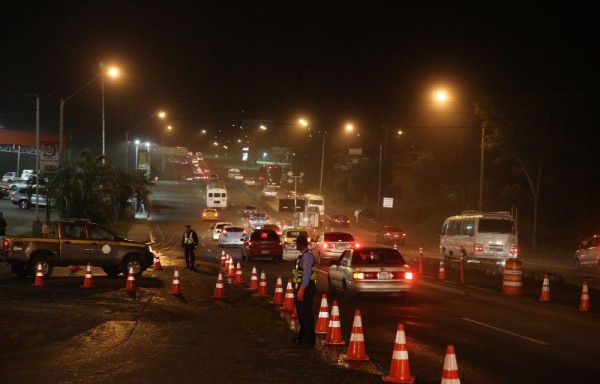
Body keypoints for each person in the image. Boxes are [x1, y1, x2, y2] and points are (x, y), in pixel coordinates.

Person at [291, 234, 317, 347]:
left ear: (299, 244)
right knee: (301, 314)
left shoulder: (307, 256)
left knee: (306, 314)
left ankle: (309, 338)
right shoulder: (303, 256)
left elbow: (306, 274)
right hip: (300, 288)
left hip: (305, 289)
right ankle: (302, 335)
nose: (295, 245)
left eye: (296, 243)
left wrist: (301, 289)